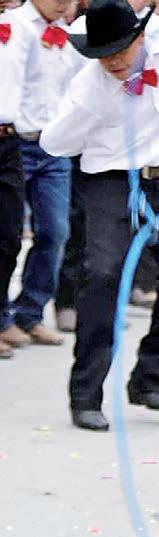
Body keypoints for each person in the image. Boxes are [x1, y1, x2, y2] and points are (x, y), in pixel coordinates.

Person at [40, 0, 159, 431]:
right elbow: (53, 143)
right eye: (102, 54)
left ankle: (151, 377)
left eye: (119, 49)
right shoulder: (87, 89)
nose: (112, 61)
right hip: (110, 183)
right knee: (103, 274)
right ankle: (85, 394)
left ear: (140, 37)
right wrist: (91, 114)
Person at [4, 0, 77, 347]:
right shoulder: (13, 24)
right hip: (15, 142)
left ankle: (30, 312)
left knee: (55, 231)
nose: (63, 2)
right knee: (8, 235)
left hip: (52, 148)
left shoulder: (68, 33)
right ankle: (2, 317)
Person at [0, 1, 38, 358]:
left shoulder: (22, 29)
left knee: (9, 236)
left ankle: (2, 316)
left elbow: (32, 85)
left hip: (10, 140)